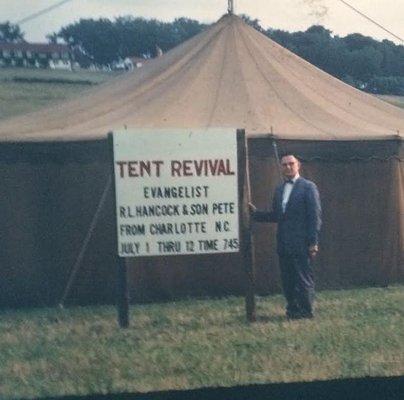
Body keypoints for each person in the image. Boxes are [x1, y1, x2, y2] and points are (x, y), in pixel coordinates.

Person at [249, 154, 321, 319]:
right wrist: (256, 214)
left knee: (303, 279)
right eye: (284, 165)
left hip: (302, 243)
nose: (288, 167)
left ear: (298, 165)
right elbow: (277, 216)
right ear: (281, 168)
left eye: (291, 164)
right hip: (284, 243)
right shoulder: (279, 189)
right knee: (287, 279)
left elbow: (314, 216)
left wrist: (313, 242)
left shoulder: (308, 187)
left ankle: (306, 311)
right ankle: (292, 311)